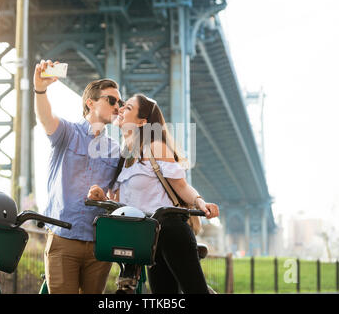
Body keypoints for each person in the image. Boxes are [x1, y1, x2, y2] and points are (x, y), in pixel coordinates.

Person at [88, 93, 219, 294]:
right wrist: (102, 198)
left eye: (128, 108)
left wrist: (201, 203)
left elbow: (182, 187)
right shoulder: (124, 158)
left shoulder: (155, 147)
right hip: (146, 237)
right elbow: (124, 206)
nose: (121, 109)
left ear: (142, 122)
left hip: (171, 230)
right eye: (122, 106)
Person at [33, 59, 123, 294]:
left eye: (120, 102)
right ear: (90, 103)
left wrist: (104, 197)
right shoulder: (67, 133)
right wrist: (40, 89)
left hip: (98, 244)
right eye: (111, 100)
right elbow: (45, 118)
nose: (117, 106)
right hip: (64, 238)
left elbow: (117, 195)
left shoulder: (116, 149)